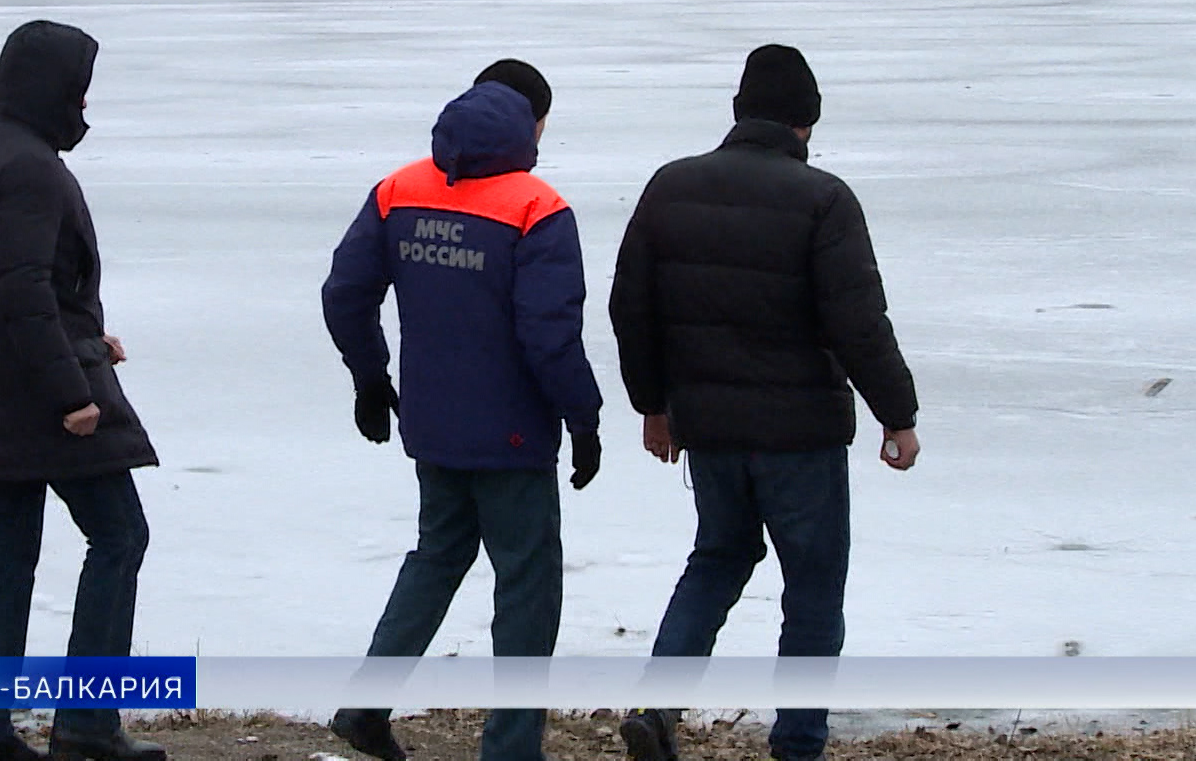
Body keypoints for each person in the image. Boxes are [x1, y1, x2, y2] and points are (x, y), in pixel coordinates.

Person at [608, 44, 921, 761]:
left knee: (717, 558)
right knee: (812, 588)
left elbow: (632, 308)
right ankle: (799, 743)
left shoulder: (670, 186)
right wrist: (896, 415)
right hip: (801, 435)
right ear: (806, 123)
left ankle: (657, 709)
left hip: (710, 429)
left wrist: (654, 404)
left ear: (738, 112)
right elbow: (857, 323)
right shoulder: (824, 199)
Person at [320, 60, 606, 761]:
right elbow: (549, 334)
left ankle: (364, 705)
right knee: (526, 586)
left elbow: (344, 293)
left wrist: (369, 377)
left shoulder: (398, 190)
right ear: (534, 123)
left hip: (433, 423)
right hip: (512, 436)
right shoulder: (536, 207)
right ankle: (510, 747)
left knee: (435, 558)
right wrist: (584, 417)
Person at [0, 20, 165, 761]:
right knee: (120, 534)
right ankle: (87, 725)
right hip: (43, 400)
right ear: (52, 90)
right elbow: (21, 290)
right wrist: (74, 391)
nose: (84, 105)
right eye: (78, 89)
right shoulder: (32, 169)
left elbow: (15, 287)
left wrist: (88, 339)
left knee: (3, 555)